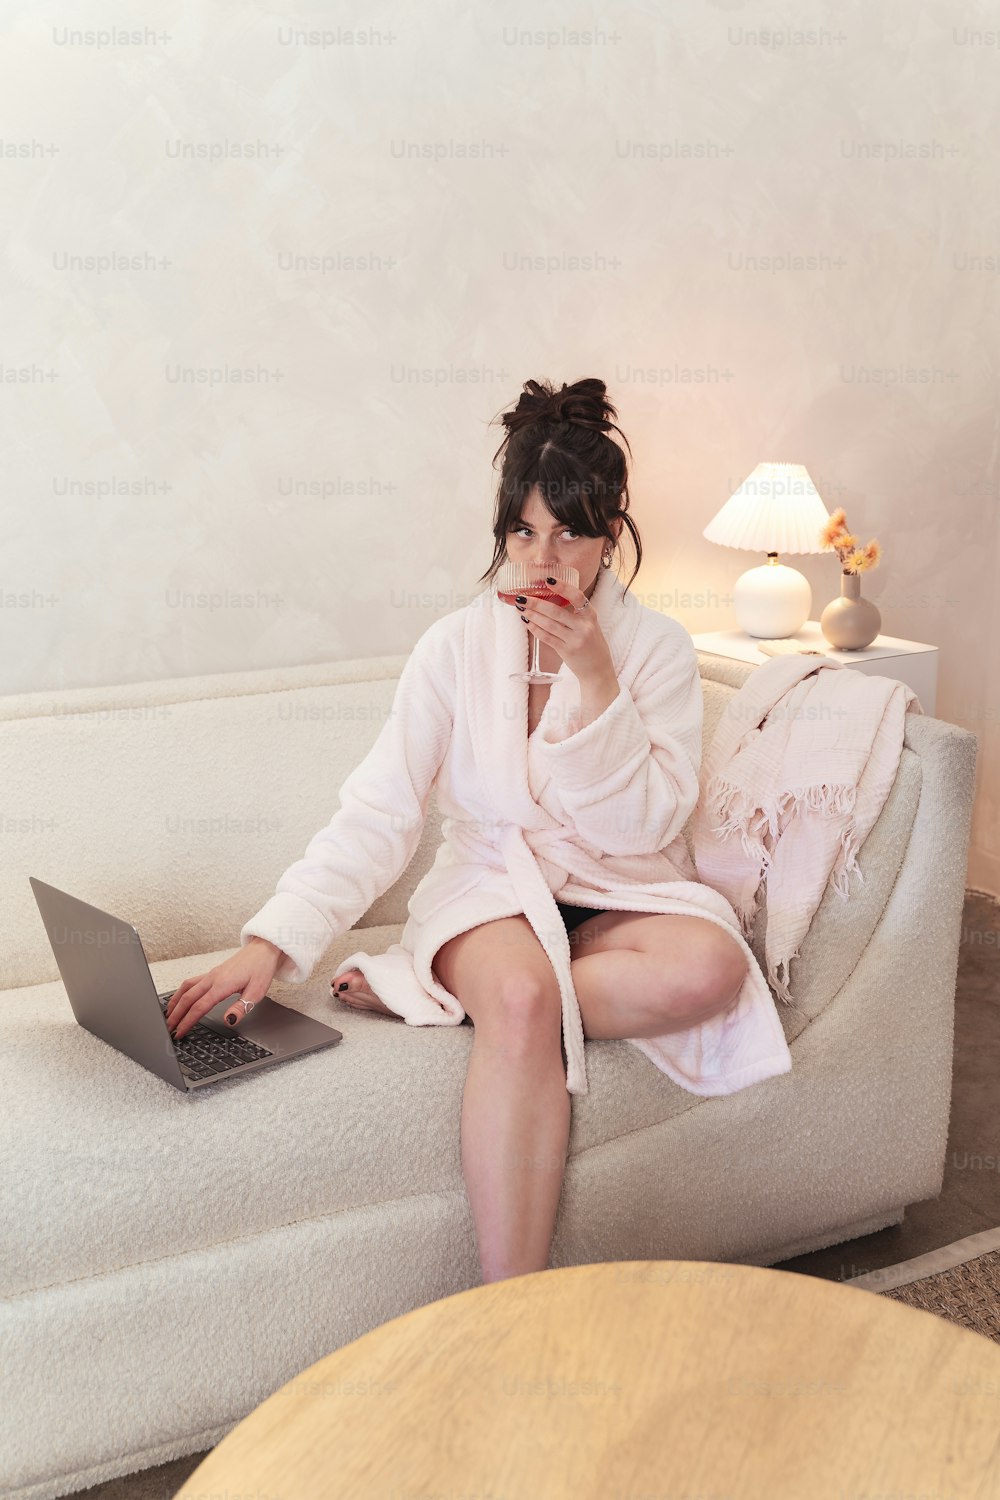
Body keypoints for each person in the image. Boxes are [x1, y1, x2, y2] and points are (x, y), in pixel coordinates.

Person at [164, 377, 752, 1285]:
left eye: (571, 532)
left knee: (713, 969)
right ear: (502, 533)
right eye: (524, 531)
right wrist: (269, 943)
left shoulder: (659, 651)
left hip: (615, 880)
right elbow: (382, 809)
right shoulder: (452, 648)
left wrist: (594, 679)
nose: (546, 559)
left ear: (610, 532)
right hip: (492, 883)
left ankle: (417, 986)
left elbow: (649, 822)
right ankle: (509, 1307)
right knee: (519, 1003)